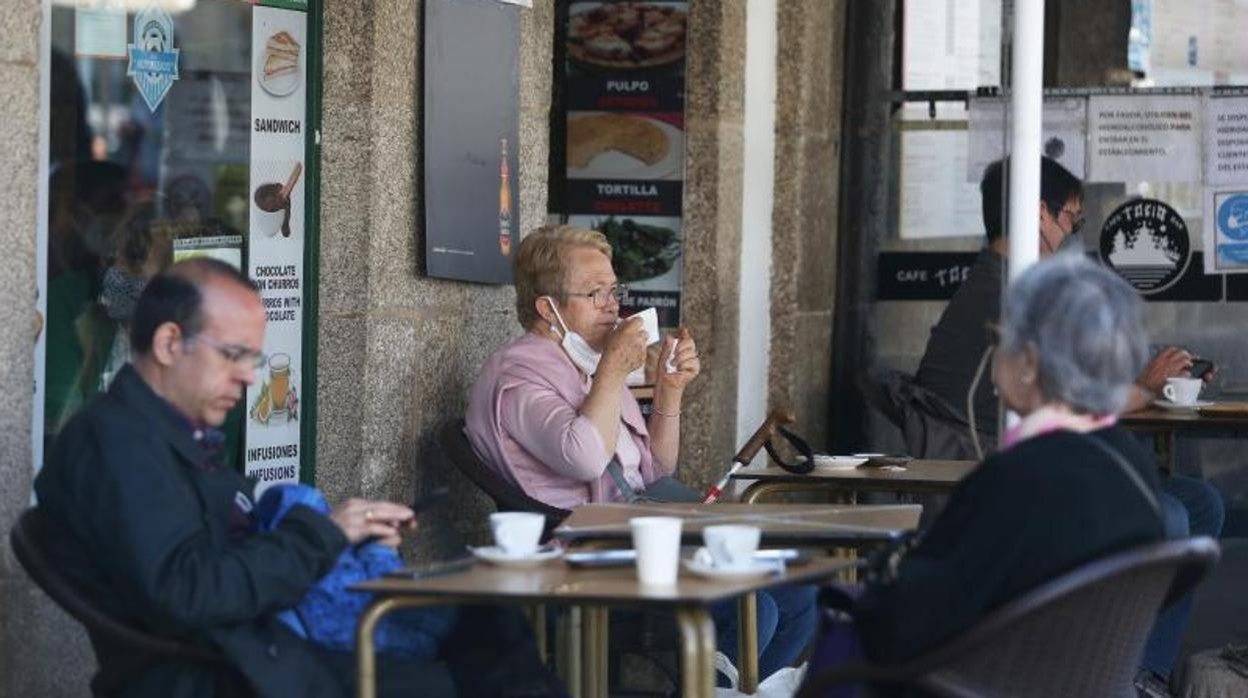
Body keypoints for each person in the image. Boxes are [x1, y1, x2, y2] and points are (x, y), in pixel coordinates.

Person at [35, 258, 563, 698]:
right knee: (477, 660)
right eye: (233, 354)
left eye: (253, 357)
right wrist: (324, 534)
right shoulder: (118, 444)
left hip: (253, 643)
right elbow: (190, 591)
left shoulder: (167, 435)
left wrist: (340, 534)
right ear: (171, 343)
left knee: (489, 626)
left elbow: (221, 555)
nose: (248, 375)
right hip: (224, 670)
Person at [912, 158, 1224, 689]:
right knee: (1166, 515)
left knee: (1199, 503)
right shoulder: (1005, 297)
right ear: (1039, 214)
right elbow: (1072, 399)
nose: (1073, 235)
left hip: (1036, 465)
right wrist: (1147, 387)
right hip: (994, 469)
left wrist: (1149, 376)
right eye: (1073, 220)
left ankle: (1143, 671)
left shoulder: (1015, 289)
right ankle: (1114, 675)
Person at [465, 225, 817, 684]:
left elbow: (653, 470)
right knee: (752, 603)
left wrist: (669, 392)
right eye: (594, 294)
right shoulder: (519, 377)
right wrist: (613, 368)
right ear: (546, 308)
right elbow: (585, 459)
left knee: (800, 590)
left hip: (637, 528)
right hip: (580, 550)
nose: (613, 305)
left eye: (614, 290)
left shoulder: (585, 362)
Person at [855, 254, 1167, 663]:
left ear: (1030, 361)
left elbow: (912, 620)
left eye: (998, 338)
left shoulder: (1013, 476)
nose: (992, 353)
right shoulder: (1132, 464)